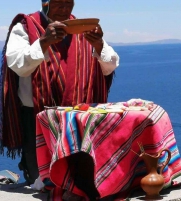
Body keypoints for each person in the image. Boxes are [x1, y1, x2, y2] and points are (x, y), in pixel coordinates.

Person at [0, 0, 119, 195]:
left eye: (68, 4)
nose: (64, 9)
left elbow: (110, 64)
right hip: (38, 117)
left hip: (78, 118)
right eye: (59, 4)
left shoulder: (82, 27)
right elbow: (19, 65)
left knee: (80, 175)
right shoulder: (25, 27)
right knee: (43, 179)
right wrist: (44, 41)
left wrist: (98, 44)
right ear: (46, 3)